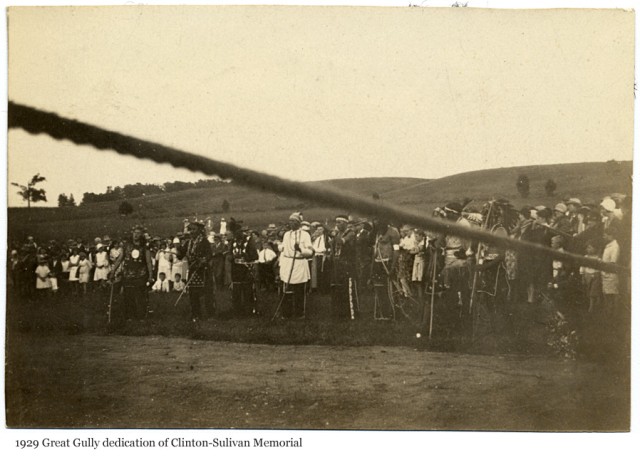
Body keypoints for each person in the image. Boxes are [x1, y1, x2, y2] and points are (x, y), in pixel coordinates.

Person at [110, 225, 154, 322]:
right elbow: (119, 259)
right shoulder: (126, 245)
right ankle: (130, 316)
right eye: (135, 232)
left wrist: (150, 275)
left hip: (141, 275)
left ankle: (141, 317)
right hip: (128, 275)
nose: (136, 235)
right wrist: (113, 271)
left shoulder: (144, 246)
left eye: (138, 233)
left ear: (141, 235)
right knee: (128, 296)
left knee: (140, 296)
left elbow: (148, 261)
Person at [278, 213, 314, 319]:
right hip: (287, 264)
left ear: (298, 223)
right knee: (286, 289)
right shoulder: (286, 235)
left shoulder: (305, 235)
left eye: (293, 221)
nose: (291, 223)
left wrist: (301, 249)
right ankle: (286, 313)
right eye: (290, 221)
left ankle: (299, 314)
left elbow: (310, 252)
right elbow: (283, 248)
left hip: (299, 264)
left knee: (299, 290)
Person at [180, 221, 214, 321]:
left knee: (207, 294)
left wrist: (203, 260)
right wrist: (178, 251)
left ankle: (210, 315)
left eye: (194, 230)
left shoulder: (204, 241)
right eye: (190, 230)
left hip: (203, 271)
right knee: (193, 293)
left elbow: (209, 255)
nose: (191, 232)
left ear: (199, 231)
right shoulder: (188, 242)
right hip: (193, 270)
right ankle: (196, 314)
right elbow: (181, 254)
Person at [330, 214, 358, 319]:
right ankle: (339, 313)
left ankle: (351, 314)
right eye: (336, 222)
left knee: (347, 289)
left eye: (340, 222)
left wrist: (331, 234)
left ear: (346, 223)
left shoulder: (350, 233)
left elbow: (341, 242)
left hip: (347, 264)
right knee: (337, 288)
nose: (337, 225)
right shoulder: (338, 233)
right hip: (337, 264)